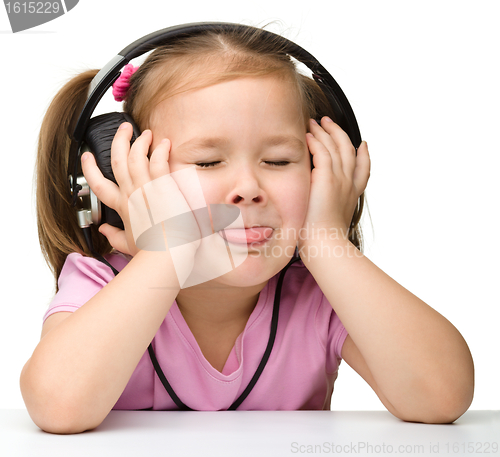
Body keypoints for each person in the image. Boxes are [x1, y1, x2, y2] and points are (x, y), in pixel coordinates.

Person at [20, 24, 474, 434]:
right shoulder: (101, 284)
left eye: (279, 161)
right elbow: (59, 407)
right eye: (208, 161)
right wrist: (166, 254)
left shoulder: (320, 297)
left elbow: (440, 398)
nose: (249, 188)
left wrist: (324, 240)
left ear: (320, 171)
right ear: (125, 176)